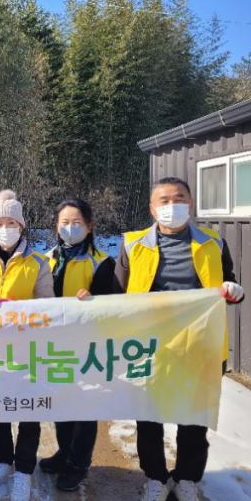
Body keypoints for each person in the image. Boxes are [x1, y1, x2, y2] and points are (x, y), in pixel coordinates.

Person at [114, 177, 244, 501]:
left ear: (191, 203)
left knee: (194, 417)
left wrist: (233, 291)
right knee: (149, 418)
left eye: (179, 198)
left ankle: (187, 477)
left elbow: (227, 282)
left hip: (200, 344)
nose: (172, 206)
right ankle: (155, 478)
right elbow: (115, 293)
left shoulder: (214, 242)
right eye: (164, 200)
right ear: (152, 208)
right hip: (147, 346)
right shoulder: (132, 245)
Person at [0, 189, 54, 501]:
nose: (5, 228)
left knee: (28, 410)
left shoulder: (38, 262)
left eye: (11, 223)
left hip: (27, 349)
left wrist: (19, 312)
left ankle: (24, 470)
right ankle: (4, 460)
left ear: (21, 226)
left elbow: (47, 307)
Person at [38, 198, 115, 492]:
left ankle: (78, 464)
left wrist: (93, 300)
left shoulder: (102, 262)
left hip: (87, 346)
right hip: (55, 344)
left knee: (84, 406)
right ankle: (64, 452)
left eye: (77, 223)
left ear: (90, 226)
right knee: (61, 402)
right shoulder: (47, 259)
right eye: (65, 223)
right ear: (56, 227)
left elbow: (112, 305)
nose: (70, 228)